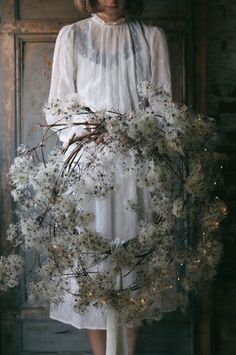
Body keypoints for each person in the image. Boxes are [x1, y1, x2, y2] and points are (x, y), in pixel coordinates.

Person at [45, 1, 172, 354]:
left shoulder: (151, 38)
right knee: (91, 261)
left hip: (137, 166)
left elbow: (163, 107)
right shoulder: (72, 36)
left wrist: (136, 134)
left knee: (135, 261)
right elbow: (59, 107)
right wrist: (90, 132)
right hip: (88, 166)